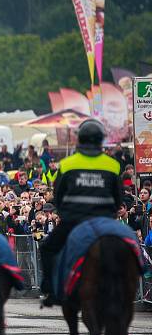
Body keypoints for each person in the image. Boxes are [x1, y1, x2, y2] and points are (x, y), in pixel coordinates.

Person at [39, 119, 121, 307]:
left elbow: (58, 196)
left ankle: (51, 289)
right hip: (105, 222)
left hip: (73, 222)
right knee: (130, 244)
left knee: (47, 248)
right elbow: (118, 199)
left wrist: (64, 212)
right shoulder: (113, 165)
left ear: (80, 139)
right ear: (101, 140)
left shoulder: (68, 164)